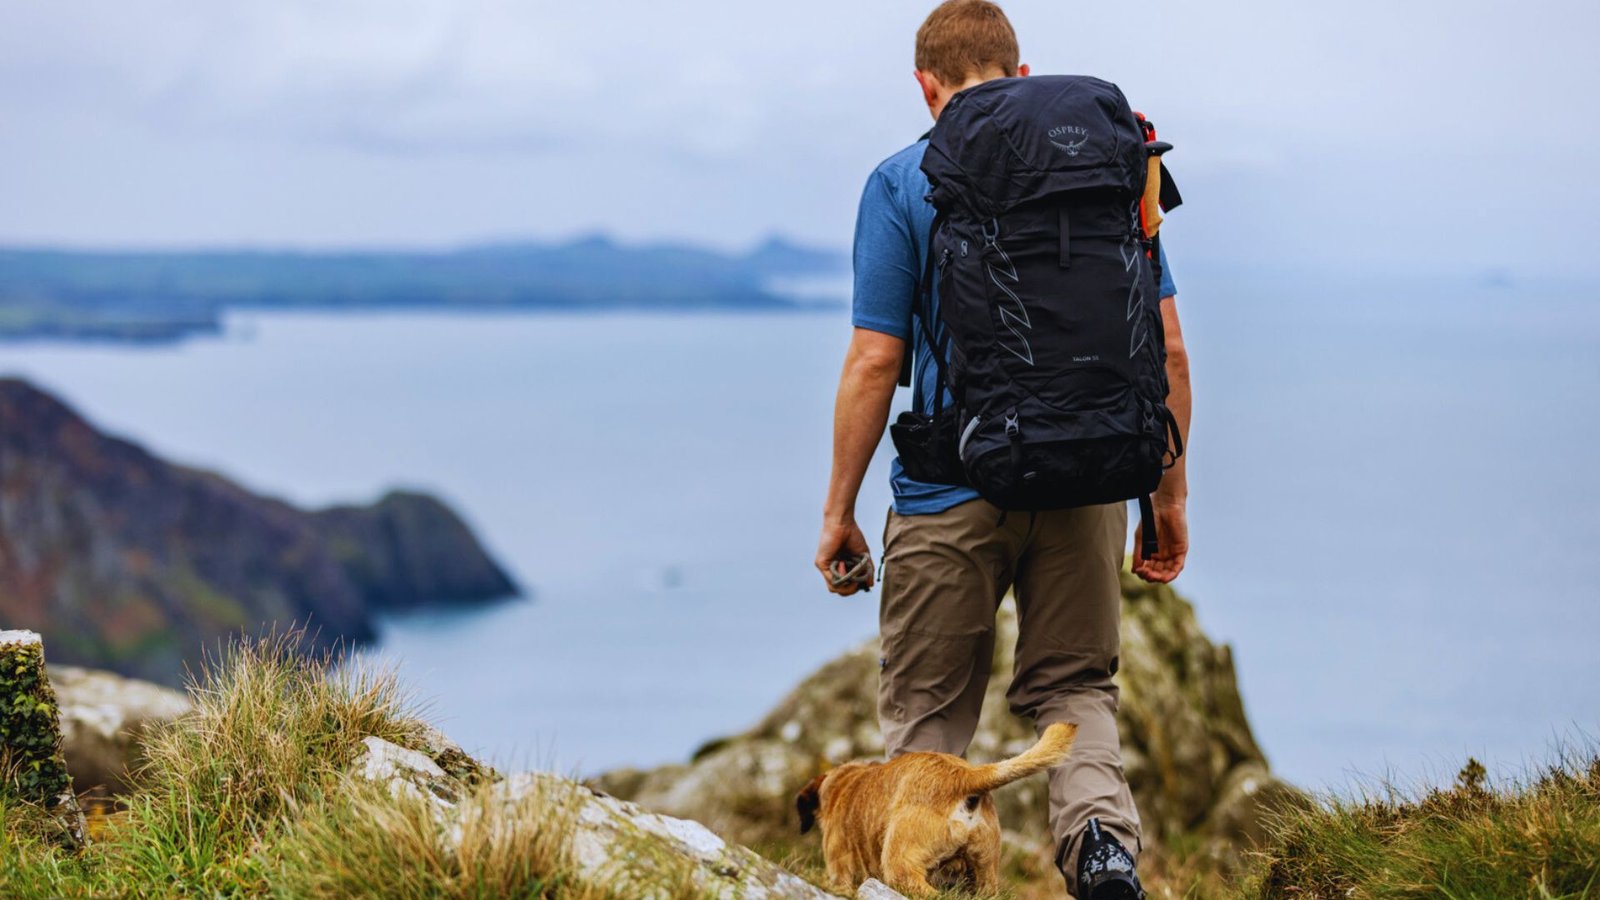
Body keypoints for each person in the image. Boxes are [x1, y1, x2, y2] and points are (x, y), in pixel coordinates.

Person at [813, 2, 1193, 897]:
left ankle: (935, 877)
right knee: (1075, 691)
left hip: (950, 489)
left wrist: (839, 513)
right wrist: (1165, 499)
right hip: (1089, 478)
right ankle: (1101, 851)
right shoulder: (1111, 168)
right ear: (1022, 76)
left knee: (929, 723)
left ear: (925, 85)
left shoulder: (902, 179)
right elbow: (1167, 349)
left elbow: (875, 361)